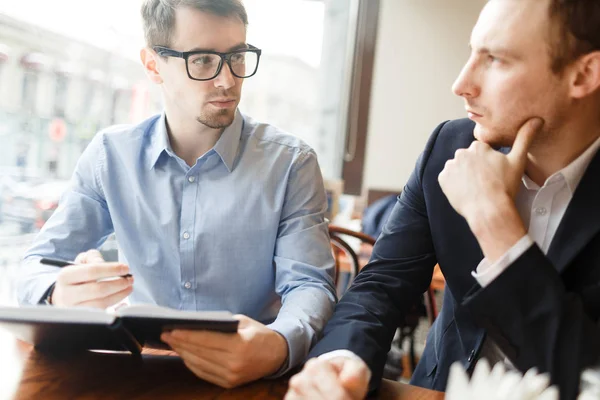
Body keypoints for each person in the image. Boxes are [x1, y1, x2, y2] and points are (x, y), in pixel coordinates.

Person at [285, 0, 600, 399]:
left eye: (497, 59)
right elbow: (381, 285)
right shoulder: (449, 146)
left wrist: (495, 221)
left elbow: (587, 374)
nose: (461, 83)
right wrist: (341, 361)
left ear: (584, 74)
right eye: (472, 52)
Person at [16, 0, 336, 388]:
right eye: (202, 60)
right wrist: (55, 294)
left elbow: (308, 286)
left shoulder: (291, 163)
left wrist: (278, 344)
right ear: (153, 66)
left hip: (252, 375)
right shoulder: (110, 157)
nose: (228, 80)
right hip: (141, 370)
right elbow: (37, 266)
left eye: (237, 56)